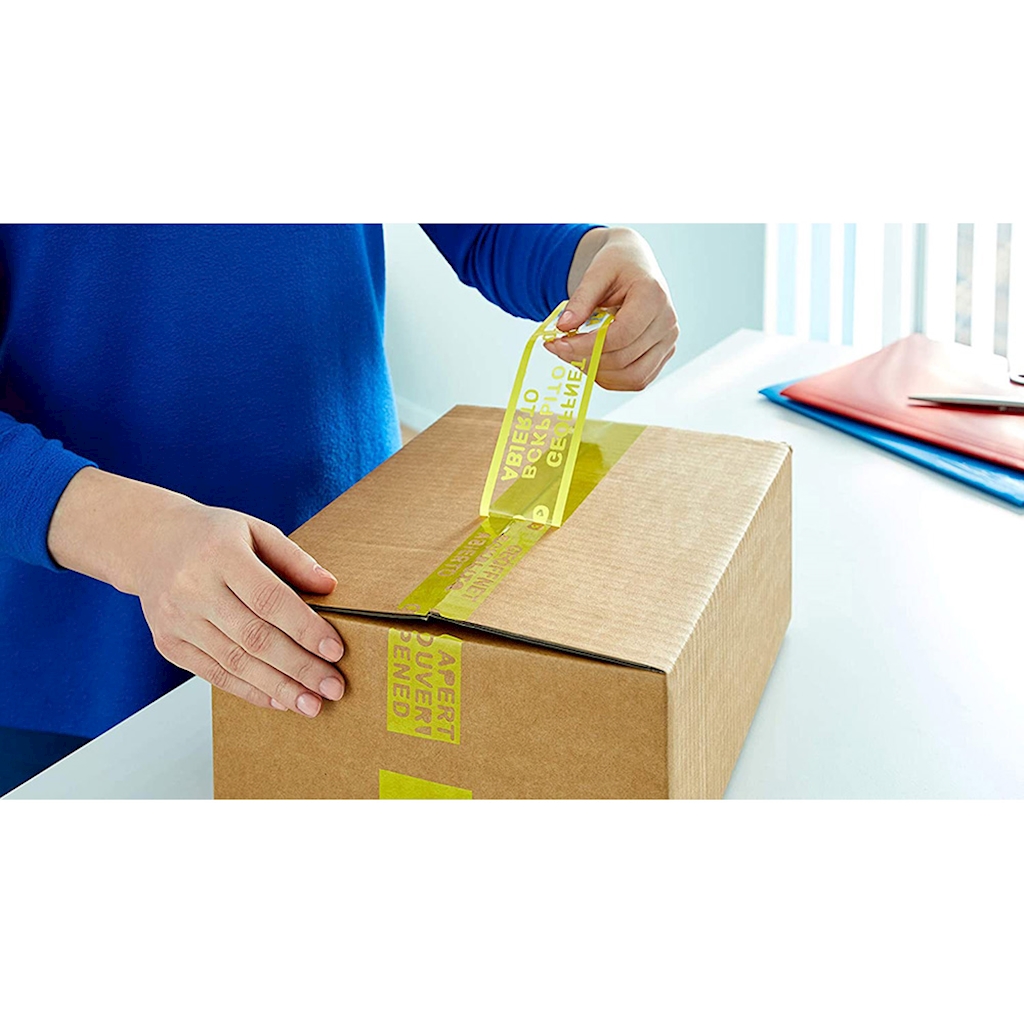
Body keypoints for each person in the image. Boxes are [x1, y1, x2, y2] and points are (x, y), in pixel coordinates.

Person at [0, 224, 678, 794]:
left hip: (355, 596)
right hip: (76, 645)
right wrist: (140, 540)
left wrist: (596, 254)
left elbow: (489, 225)